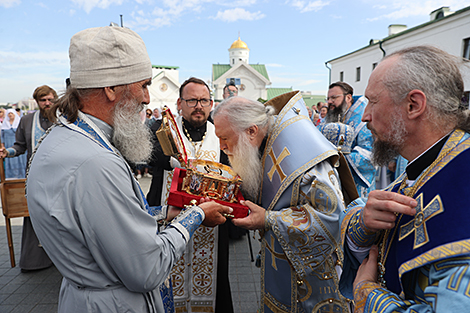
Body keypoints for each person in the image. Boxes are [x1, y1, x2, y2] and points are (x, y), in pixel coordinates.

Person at [26, 26, 231, 313]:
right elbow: (146, 270)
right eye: (143, 84)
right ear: (111, 87)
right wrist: (196, 215)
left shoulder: (64, 138)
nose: (147, 98)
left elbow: (102, 223)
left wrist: (163, 214)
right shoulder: (96, 162)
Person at [340, 45, 470, 313]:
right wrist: (365, 223)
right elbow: (366, 211)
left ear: (414, 105)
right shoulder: (435, 161)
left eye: (373, 102)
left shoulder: (462, 175)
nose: (365, 116)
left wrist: (367, 295)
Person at [212, 92, 359, 313]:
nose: (222, 146)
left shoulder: (305, 160)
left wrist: (269, 219)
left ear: (251, 131)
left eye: (225, 138)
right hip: (283, 264)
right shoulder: (267, 142)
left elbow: (332, 216)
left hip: (314, 281)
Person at [147, 77, 234, 313]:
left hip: (211, 229)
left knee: (213, 284)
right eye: (192, 100)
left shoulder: (221, 133)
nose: (199, 106)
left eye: (204, 100)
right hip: (170, 220)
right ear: (180, 103)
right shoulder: (162, 131)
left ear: (211, 102)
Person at [0, 85, 56, 272]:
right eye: (43, 100)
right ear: (37, 102)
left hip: (61, 178)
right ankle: (36, 261)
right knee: (34, 217)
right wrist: (7, 152)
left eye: (50, 99)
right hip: (35, 178)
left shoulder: (65, 119)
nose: (47, 103)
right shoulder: (26, 120)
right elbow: (20, 147)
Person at [318, 81, 376, 197]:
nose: (329, 102)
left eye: (334, 97)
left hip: (354, 184)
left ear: (348, 97)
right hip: (330, 180)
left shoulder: (363, 117)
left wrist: (337, 160)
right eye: (328, 98)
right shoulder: (332, 115)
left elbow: (369, 153)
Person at [1, 109, 27, 178]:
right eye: (9, 114)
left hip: (18, 146)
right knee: (10, 162)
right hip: (8, 145)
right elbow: (2, 136)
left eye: (11, 113)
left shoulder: (19, 123)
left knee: (20, 161)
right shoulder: (5, 124)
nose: (10, 115)